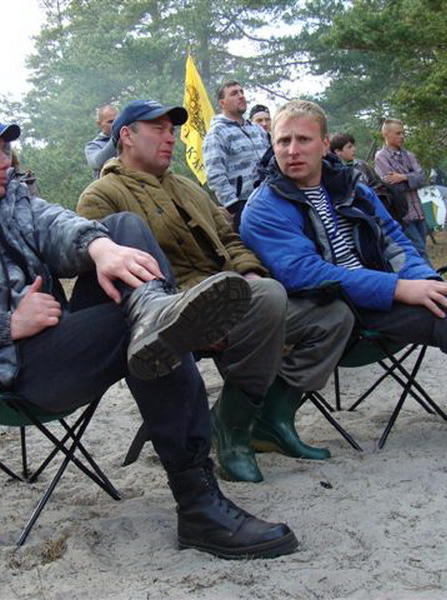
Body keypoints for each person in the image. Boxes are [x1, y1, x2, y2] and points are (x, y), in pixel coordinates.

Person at [0, 105, 300, 559]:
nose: (5, 160)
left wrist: (101, 248)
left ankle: (153, 311)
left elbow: (59, 225)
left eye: (5, 149)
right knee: (142, 331)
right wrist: (7, 324)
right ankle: (199, 503)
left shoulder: (13, 204)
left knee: (123, 228)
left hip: (55, 341)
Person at [240, 99, 447, 450]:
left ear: (325, 144)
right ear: (272, 144)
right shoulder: (264, 207)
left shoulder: (350, 186)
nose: (292, 150)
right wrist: (398, 288)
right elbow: (306, 274)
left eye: (303, 140)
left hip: (385, 296)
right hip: (336, 312)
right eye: (283, 141)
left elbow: (394, 241)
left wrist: (426, 282)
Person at [77, 99, 354, 482]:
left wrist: (250, 274)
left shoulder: (188, 188)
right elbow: (122, 283)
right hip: (175, 318)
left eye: (172, 131)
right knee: (270, 297)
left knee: (334, 316)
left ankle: (267, 420)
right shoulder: (101, 197)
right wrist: (203, 312)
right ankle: (235, 437)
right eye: (158, 129)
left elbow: (231, 240)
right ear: (126, 135)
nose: (170, 138)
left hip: (238, 299)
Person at [203, 81, 270, 228]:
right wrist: (233, 206)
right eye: (234, 93)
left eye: (241, 92)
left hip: (271, 201)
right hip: (244, 206)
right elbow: (215, 175)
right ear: (222, 103)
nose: (241, 96)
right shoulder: (217, 134)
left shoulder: (258, 130)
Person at [374, 118, 430, 261]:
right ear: (386, 134)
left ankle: (424, 274)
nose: (402, 136)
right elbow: (392, 187)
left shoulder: (409, 155)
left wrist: (403, 177)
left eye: (403, 133)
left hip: (418, 211)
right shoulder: (381, 158)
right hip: (403, 215)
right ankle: (430, 274)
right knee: (418, 250)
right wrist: (412, 179)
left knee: (422, 248)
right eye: (398, 133)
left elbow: (422, 178)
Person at [331, 132, 408, 225]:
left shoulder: (361, 165)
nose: (354, 149)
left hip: (378, 209)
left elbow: (377, 183)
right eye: (349, 147)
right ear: (338, 151)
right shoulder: (336, 173)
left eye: (353, 146)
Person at [84, 104, 118, 179]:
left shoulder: (128, 139)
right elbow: (99, 162)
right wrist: (116, 137)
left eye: (117, 120)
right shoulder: (92, 146)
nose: (115, 124)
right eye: (110, 121)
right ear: (99, 124)